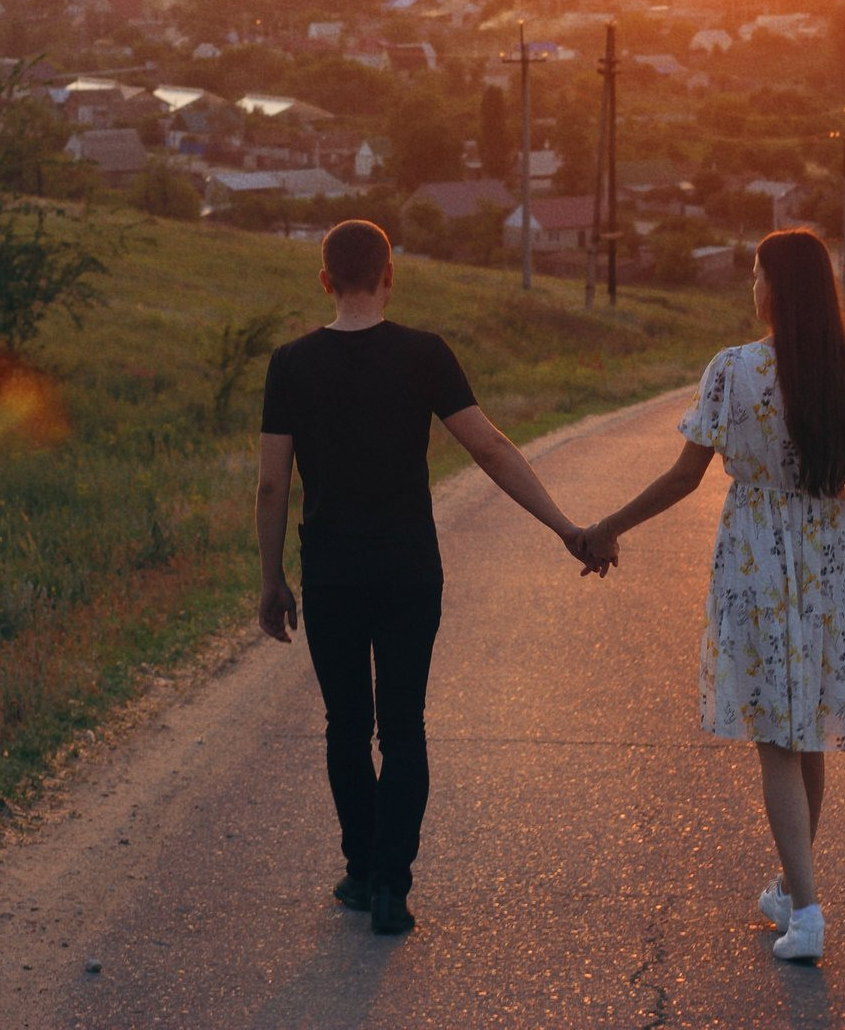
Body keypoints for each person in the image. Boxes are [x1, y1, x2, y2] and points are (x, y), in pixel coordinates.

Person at [256, 218, 614, 937]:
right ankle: (392, 886)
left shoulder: (290, 364)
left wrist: (272, 581)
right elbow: (488, 446)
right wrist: (566, 528)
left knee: (346, 727)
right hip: (409, 571)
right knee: (406, 729)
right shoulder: (424, 355)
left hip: (331, 575)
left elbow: (272, 486)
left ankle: (361, 870)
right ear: (390, 275)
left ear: (325, 280)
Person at [584, 227, 845, 965]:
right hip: (827, 566)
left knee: (777, 739)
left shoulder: (733, 370)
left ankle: (805, 914)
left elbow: (684, 478)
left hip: (757, 564)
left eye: (757, 273)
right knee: (803, 738)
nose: (752, 285)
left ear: (777, 289)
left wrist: (606, 527)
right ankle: (788, 889)